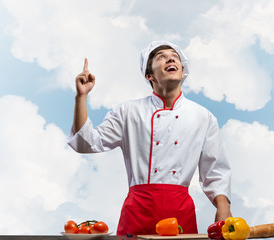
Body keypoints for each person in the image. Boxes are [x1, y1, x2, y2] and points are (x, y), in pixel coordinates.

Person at [67, 41, 232, 235]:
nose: (171, 58)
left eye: (175, 56)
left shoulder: (202, 117)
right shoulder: (128, 111)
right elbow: (85, 143)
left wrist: (223, 208)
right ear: (149, 76)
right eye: (161, 56)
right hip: (138, 211)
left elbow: (215, 169)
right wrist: (81, 97)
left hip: (180, 212)